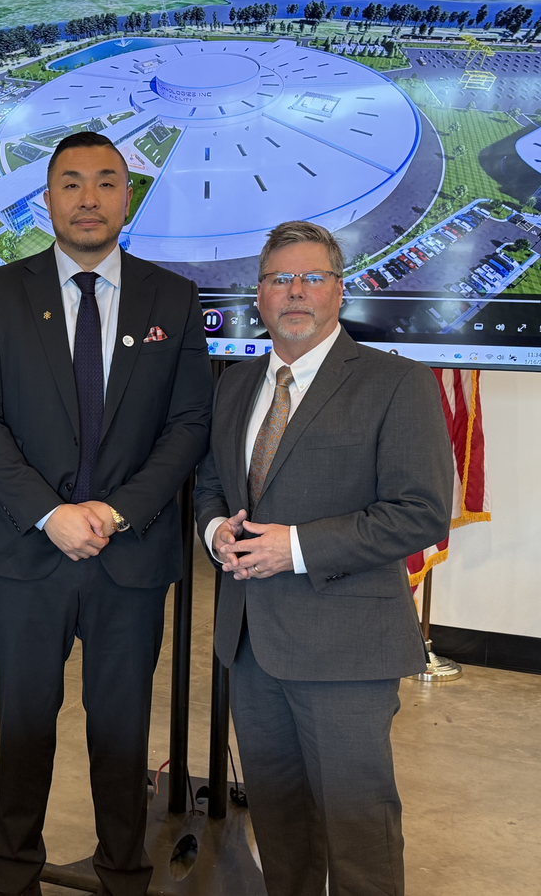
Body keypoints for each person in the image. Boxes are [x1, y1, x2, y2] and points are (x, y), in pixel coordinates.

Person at [0, 131, 214, 896]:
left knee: (121, 732)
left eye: (105, 182)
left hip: (130, 555)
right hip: (24, 553)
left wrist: (116, 511)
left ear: (127, 197)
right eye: (71, 183)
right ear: (47, 199)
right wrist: (49, 514)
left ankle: (124, 874)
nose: (88, 198)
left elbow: (189, 423)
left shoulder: (173, 298)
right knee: (24, 724)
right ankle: (14, 875)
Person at [194, 220, 453, 896]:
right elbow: (212, 483)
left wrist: (298, 547)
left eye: (313, 277)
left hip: (347, 651)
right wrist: (216, 529)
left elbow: (421, 511)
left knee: (359, 836)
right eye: (280, 279)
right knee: (282, 832)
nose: (296, 291)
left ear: (340, 290)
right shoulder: (233, 385)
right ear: (259, 294)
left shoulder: (396, 383)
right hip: (250, 647)